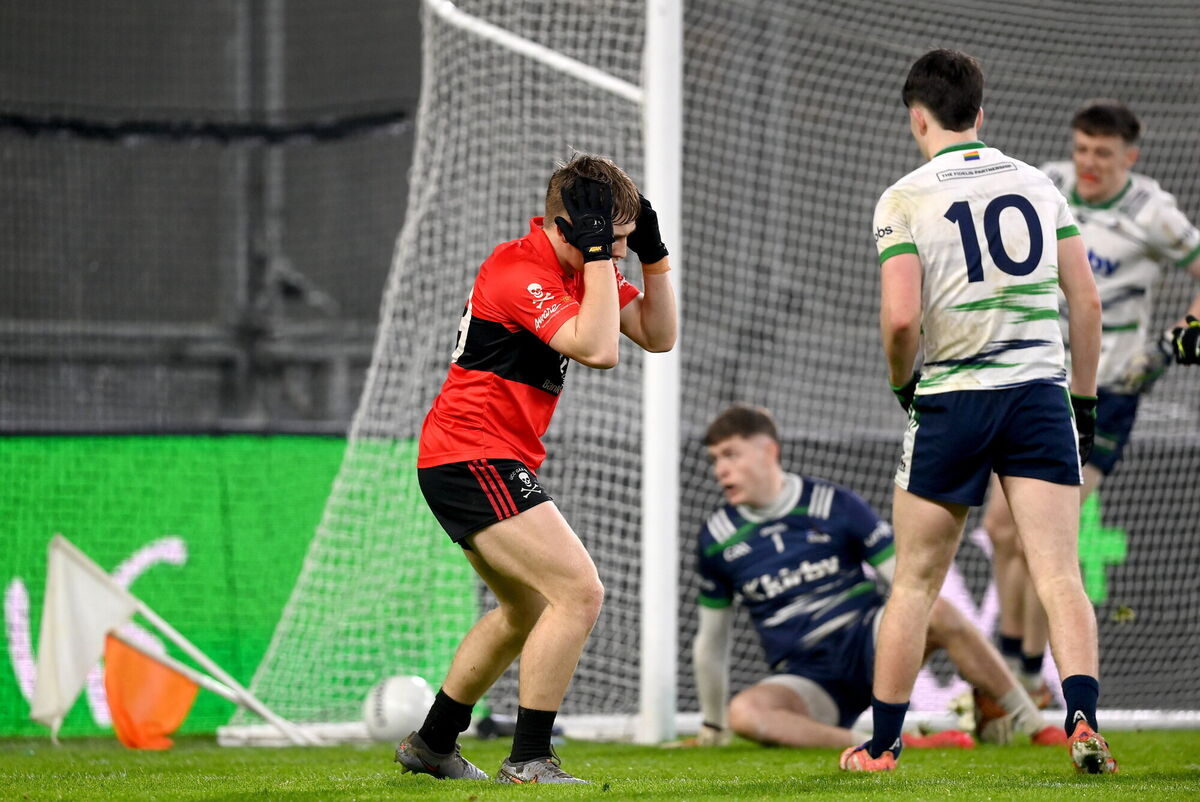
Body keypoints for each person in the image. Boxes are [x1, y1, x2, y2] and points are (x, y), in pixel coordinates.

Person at [848, 49, 1117, 774]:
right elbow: (1086, 303)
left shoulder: (903, 198)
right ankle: (1085, 724)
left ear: (917, 116)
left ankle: (881, 749)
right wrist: (1082, 402)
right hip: (1037, 395)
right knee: (1059, 573)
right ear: (981, 114)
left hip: (953, 397)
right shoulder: (1038, 184)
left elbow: (902, 321)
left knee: (914, 582)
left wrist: (905, 387)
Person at [396, 154, 677, 784]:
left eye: (630, 240)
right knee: (579, 592)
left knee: (523, 611)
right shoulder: (517, 269)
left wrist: (654, 259)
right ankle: (528, 761)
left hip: (479, 457)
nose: (623, 253)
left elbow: (657, 336)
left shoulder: (582, 269)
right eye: (618, 238)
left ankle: (433, 743)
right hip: (470, 454)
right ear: (576, 229)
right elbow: (600, 350)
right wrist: (603, 255)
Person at [978, 99, 1200, 705]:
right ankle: (1022, 670)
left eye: (1103, 153)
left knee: (1030, 529)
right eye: (1083, 149)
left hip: (1107, 393)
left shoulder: (1153, 213)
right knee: (1003, 530)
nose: (1089, 163)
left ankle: (1020, 675)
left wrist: (1173, 342)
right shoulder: (1047, 186)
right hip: (1038, 379)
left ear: (1130, 156)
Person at [688, 404, 1062, 751]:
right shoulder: (717, 538)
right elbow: (712, 639)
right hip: (808, 680)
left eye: (730, 455)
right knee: (745, 713)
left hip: (872, 645)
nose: (720, 469)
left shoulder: (833, 504)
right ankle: (881, 741)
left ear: (768, 451)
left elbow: (908, 581)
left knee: (937, 610)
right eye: (714, 459)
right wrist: (713, 725)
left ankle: (1034, 724)